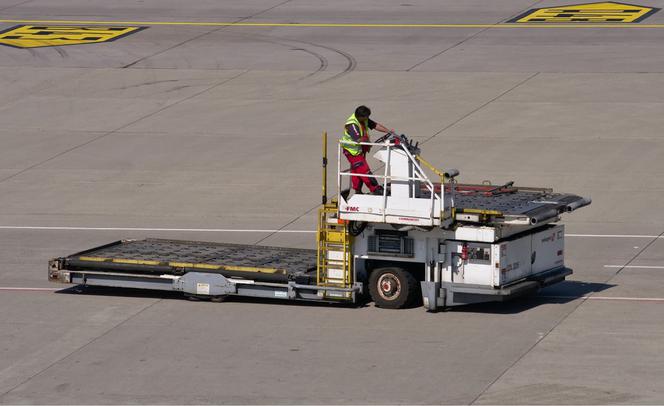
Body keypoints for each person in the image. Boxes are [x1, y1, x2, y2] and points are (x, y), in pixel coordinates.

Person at [341, 106, 393, 197]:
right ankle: (375, 189)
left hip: (359, 150)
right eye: (366, 117)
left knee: (357, 170)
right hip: (352, 151)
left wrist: (388, 131)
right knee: (364, 170)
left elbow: (375, 125)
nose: (367, 119)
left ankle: (357, 191)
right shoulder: (352, 125)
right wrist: (369, 143)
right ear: (360, 116)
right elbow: (358, 139)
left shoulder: (363, 119)